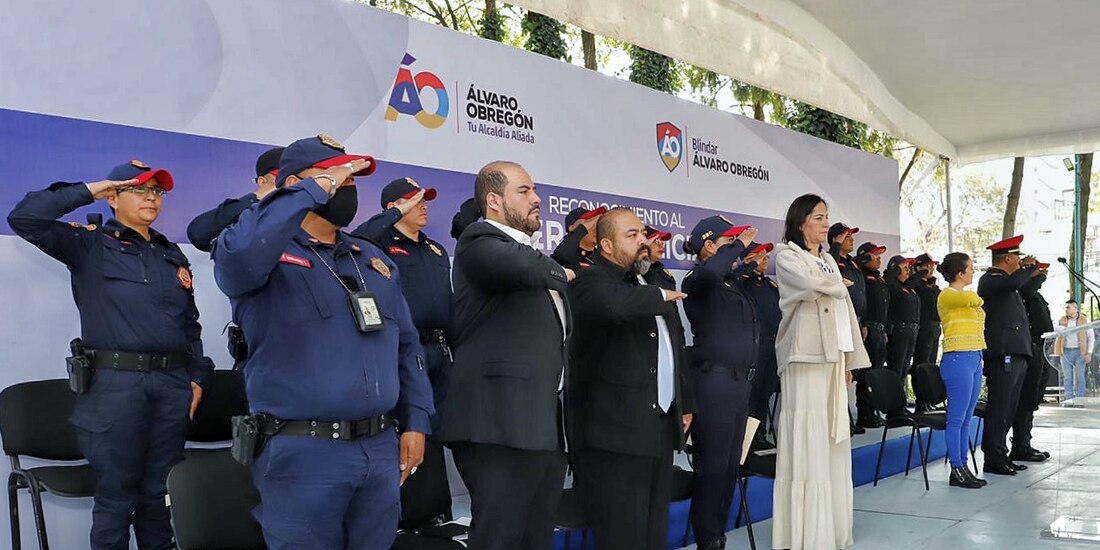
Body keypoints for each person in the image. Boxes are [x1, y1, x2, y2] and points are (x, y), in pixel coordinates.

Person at [212, 135, 433, 549]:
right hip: (303, 454)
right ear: (296, 184)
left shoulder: (372, 260)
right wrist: (309, 191)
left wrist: (417, 420)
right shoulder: (260, 257)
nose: (347, 186)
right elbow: (241, 253)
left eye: (352, 179)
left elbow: (407, 346)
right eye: (336, 176)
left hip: (379, 449)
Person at [8, 160, 213, 550]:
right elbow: (25, 218)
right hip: (116, 387)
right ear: (113, 197)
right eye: (139, 189)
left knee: (159, 498)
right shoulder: (90, 244)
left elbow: (190, 326)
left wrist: (197, 378)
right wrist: (89, 190)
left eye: (157, 191)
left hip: (171, 387)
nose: (151, 197)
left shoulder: (171, 255)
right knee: (115, 501)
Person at [437, 161, 574, 550]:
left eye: (535, 190)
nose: (537, 199)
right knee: (499, 538)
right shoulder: (478, 240)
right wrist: (562, 272)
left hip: (540, 424)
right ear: (494, 200)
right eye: (524, 191)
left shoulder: (529, 254)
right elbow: (526, 267)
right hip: (497, 423)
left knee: (536, 537)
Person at [567, 208, 695, 550]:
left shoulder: (648, 282)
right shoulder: (590, 281)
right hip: (614, 437)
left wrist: (684, 402)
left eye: (643, 234)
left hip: (657, 426)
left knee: (653, 532)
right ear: (607, 245)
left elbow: (673, 347)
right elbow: (616, 307)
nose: (643, 241)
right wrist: (659, 296)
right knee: (623, 535)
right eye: (632, 235)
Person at [771, 194, 869, 550]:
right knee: (808, 439)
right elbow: (810, 286)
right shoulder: (786, 256)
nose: (826, 223)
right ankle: (804, 533)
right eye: (818, 217)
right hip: (805, 358)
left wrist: (849, 359)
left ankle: (831, 528)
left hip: (833, 358)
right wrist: (838, 286)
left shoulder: (828, 259)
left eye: (827, 217)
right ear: (801, 222)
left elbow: (845, 312)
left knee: (832, 439)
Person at [680, 215, 759, 550]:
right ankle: (707, 539)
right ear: (709, 246)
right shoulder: (699, 279)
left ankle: (718, 536)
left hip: (738, 384)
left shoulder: (729, 282)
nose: (737, 248)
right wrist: (739, 245)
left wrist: (741, 253)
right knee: (712, 468)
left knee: (729, 468)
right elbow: (710, 272)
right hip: (715, 382)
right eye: (728, 242)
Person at [352, 177, 452, 430]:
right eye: (414, 201)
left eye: (424, 200)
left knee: (440, 428)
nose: (423, 206)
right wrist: (395, 215)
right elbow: (357, 238)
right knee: (410, 426)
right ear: (392, 207)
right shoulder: (378, 245)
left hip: (438, 350)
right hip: (403, 349)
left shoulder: (436, 249)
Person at [977, 235, 1037, 476]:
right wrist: (1029, 268)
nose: (1020, 262)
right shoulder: (992, 279)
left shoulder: (1009, 282)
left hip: (1016, 350)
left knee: (1010, 407)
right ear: (1008, 258)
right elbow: (1014, 283)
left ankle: (1001, 454)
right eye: (1017, 258)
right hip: (1004, 352)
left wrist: (1034, 274)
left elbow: (1024, 287)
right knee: (1000, 407)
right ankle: (994, 458)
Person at [935, 252, 988, 489]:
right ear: (959, 273)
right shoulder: (947, 295)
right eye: (970, 268)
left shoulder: (964, 296)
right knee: (956, 419)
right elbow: (972, 300)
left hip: (974, 357)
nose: (973, 271)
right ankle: (956, 468)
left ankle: (963, 466)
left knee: (967, 418)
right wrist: (977, 300)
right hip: (957, 358)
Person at [186, 146, 285, 252]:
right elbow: (199, 234)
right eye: (283, 178)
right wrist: (257, 196)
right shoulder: (249, 217)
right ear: (262, 182)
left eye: (296, 179)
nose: (291, 184)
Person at [737, 242, 782, 447]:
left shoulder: (770, 285)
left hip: (772, 345)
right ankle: (747, 439)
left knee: (766, 392)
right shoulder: (742, 282)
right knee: (752, 394)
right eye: (760, 255)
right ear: (748, 259)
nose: (765, 259)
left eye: (766, 255)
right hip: (754, 346)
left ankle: (760, 434)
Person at [1011, 262, 1053, 462]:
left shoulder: (1035, 293)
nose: (1041, 272)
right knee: (1026, 399)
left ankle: (1025, 442)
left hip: (1041, 348)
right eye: (1034, 268)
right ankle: (1020, 445)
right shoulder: (1021, 290)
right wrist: (1037, 276)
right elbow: (1026, 290)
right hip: (1030, 348)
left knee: (1033, 398)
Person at [828, 222, 867, 434]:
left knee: (851, 371)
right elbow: (830, 276)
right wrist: (835, 246)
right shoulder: (830, 259)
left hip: (855, 321)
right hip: (838, 321)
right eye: (846, 236)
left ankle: (848, 418)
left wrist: (864, 322)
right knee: (839, 372)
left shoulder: (853, 263)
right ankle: (841, 420)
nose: (851, 240)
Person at [855, 242, 889, 428]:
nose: (878, 259)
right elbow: (861, 301)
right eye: (874, 256)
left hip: (880, 329)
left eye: (879, 256)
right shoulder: (861, 275)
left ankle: (873, 411)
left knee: (876, 372)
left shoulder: (878, 278)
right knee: (866, 374)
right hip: (868, 328)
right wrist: (864, 323)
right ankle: (864, 413)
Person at [885, 255, 920, 395]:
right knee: (897, 367)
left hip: (911, 330)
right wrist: (896, 270)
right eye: (904, 268)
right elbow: (889, 279)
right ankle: (893, 403)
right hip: (899, 330)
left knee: (904, 368)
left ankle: (900, 400)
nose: (907, 271)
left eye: (908, 268)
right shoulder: (893, 285)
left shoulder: (908, 287)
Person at [1057, 299, 1094, 403]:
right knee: (1067, 377)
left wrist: (1089, 352)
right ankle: (1068, 399)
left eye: (1068, 307)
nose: (1066, 310)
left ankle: (1080, 400)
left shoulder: (1085, 320)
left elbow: (1091, 337)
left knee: (1079, 376)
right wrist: (1061, 329)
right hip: (1065, 351)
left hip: (1080, 352)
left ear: (1075, 308)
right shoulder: (1062, 320)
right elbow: (1054, 328)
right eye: (1065, 308)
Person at [913, 253, 943, 367]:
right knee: (923, 360)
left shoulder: (933, 285)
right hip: (924, 324)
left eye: (932, 266)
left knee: (932, 360)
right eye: (927, 266)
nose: (931, 269)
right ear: (918, 268)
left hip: (935, 324)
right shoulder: (916, 284)